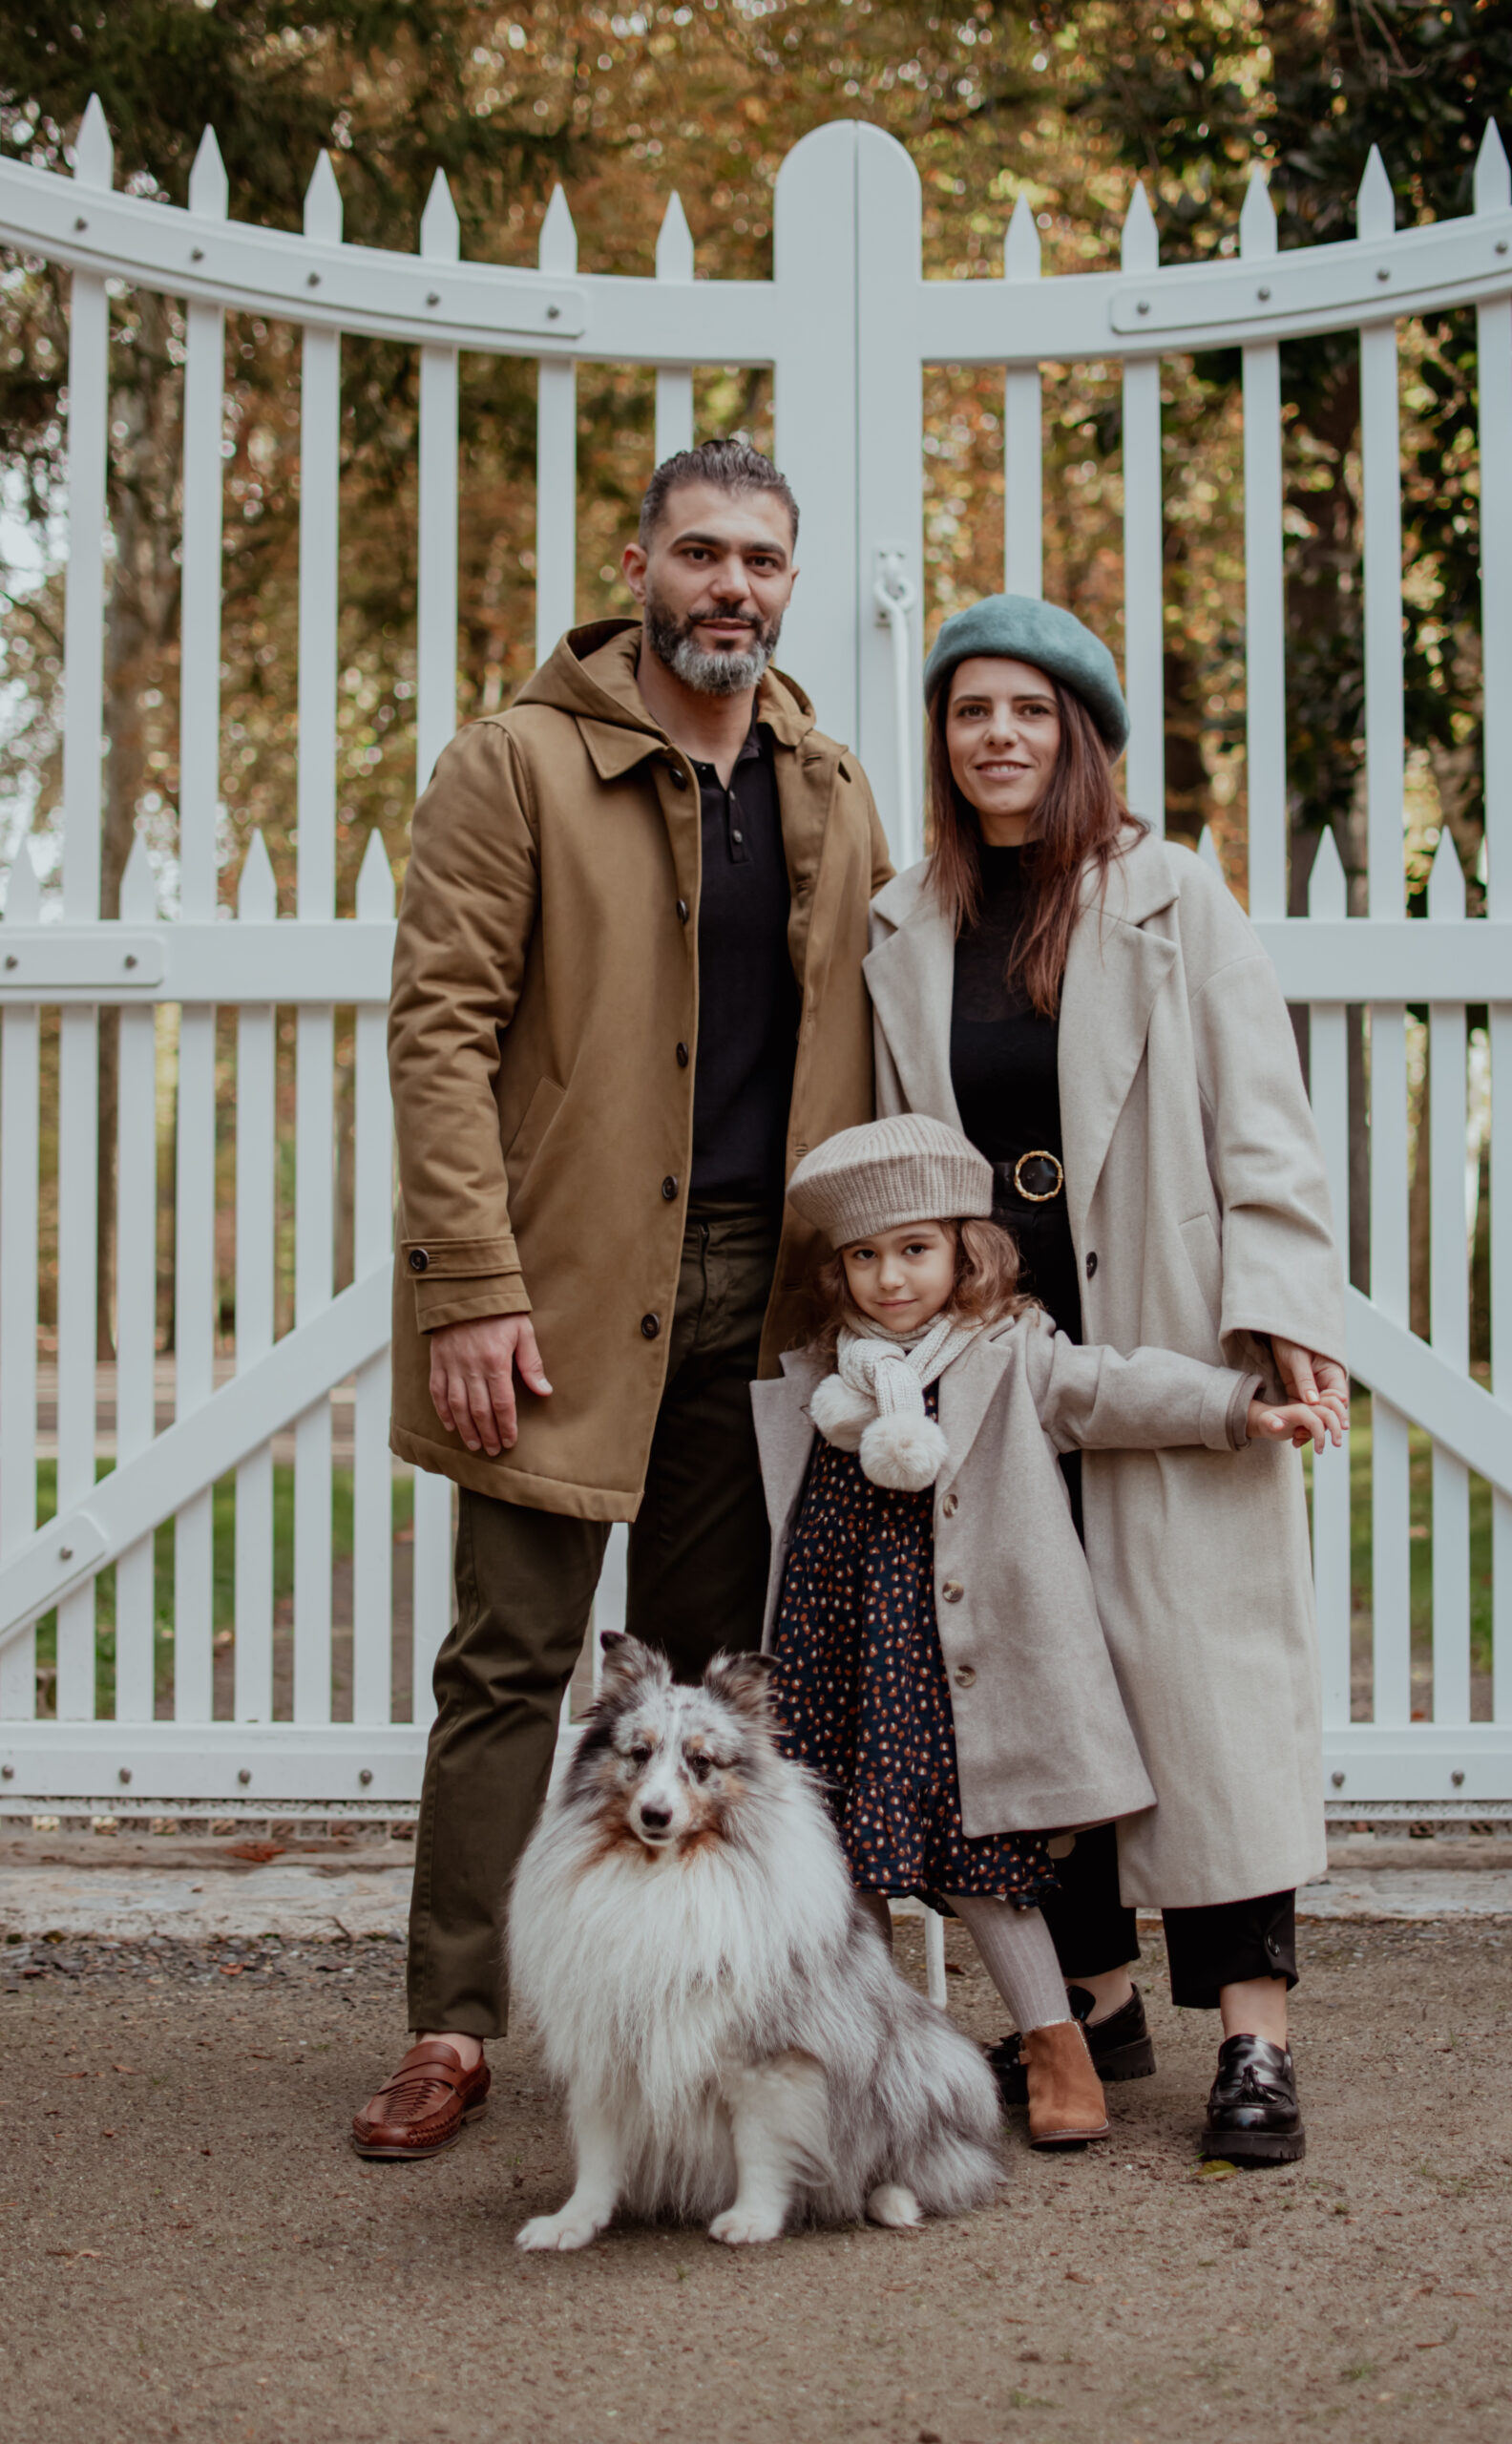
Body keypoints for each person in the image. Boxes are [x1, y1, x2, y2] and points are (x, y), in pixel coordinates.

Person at [351, 440, 892, 2160]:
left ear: (789, 584)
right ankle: (453, 2024)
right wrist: (467, 1285)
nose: (731, 585)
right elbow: (437, 1030)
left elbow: (878, 1031)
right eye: (700, 554)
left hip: (756, 1298)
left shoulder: (827, 783)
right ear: (641, 565)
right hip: (560, 1284)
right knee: (510, 1661)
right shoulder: (514, 765)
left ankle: (685, 2012)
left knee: (703, 1690)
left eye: (761, 561)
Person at [863, 597, 1349, 2166]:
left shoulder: (1169, 897)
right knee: (1025, 1673)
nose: (993, 734)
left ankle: (1253, 2045)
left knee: (1203, 1693)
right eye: (965, 711)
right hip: (994, 1368)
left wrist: (1280, 1310)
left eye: (1026, 709)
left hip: (1165, 1327)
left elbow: (1263, 1128)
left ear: (1082, 734)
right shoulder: (906, 922)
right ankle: (1093, 2004)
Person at [751, 1114, 1344, 2154]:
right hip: (839, 1651)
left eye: (916, 1249)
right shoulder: (826, 1377)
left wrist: (1241, 1407)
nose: (891, 1279)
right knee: (833, 1862)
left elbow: (1113, 1388)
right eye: (866, 1257)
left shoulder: (1009, 1351)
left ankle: (1058, 2043)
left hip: (954, 1667)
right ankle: (862, 2061)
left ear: (965, 1249)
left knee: (986, 1856)